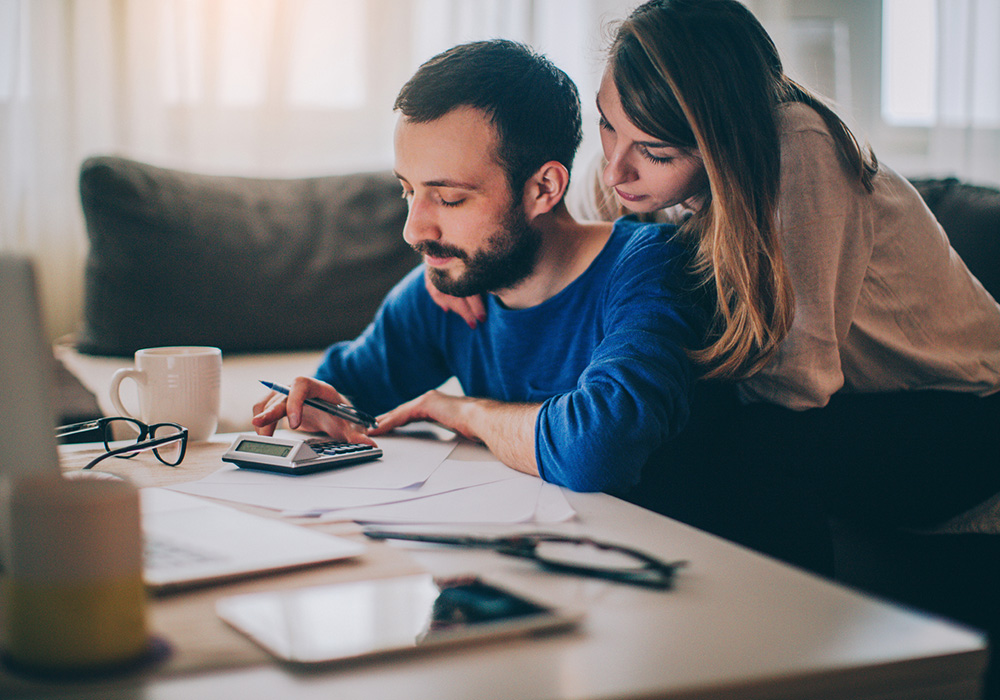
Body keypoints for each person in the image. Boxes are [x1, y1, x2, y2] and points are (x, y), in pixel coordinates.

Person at [428, 0, 1000, 573]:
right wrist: (461, 261)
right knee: (642, 414)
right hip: (851, 405)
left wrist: (623, 402)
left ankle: (781, 639)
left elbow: (797, 382)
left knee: (725, 437)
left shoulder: (800, 152)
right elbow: (557, 228)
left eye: (654, 153)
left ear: (723, 143)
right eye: (607, 124)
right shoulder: (635, 161)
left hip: (963, 408)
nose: (614, 171)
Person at [252, 39, 706, 499]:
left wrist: (463, 412)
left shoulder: (652, 268)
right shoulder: (451, 287)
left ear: (543, 188)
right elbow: (346, 392)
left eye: (449, 198)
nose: (413, 231)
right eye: (408, 191)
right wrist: (315, 405)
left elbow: (598, 451)